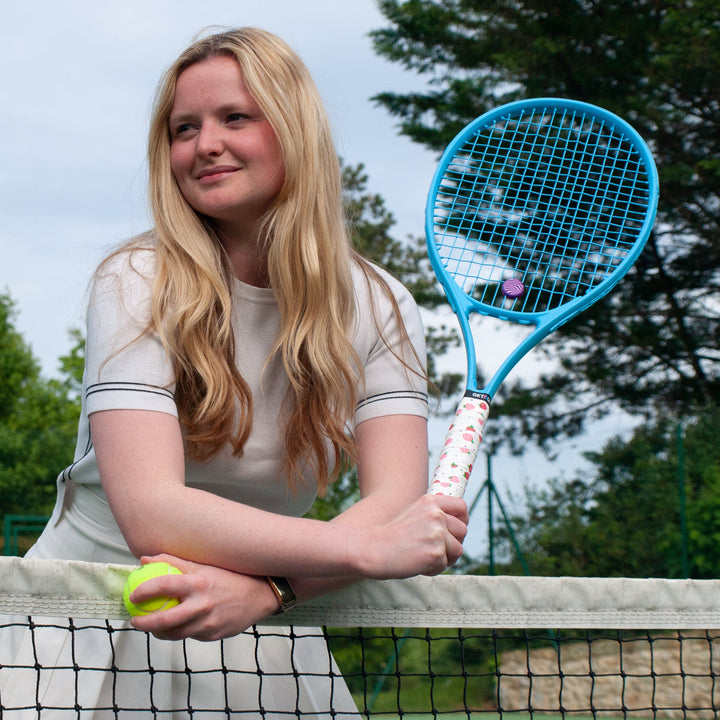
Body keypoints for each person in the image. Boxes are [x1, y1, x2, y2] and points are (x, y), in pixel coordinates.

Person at [2, 27, 468, 717]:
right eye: (183, 128)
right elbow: (154, 514)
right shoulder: (136, 279)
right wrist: (364, 551)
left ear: (294, 130)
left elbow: (394, 504)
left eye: (234, 118)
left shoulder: (382, 303)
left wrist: (271, 593)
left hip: (272, 633)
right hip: (88, 622)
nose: (204, 144)